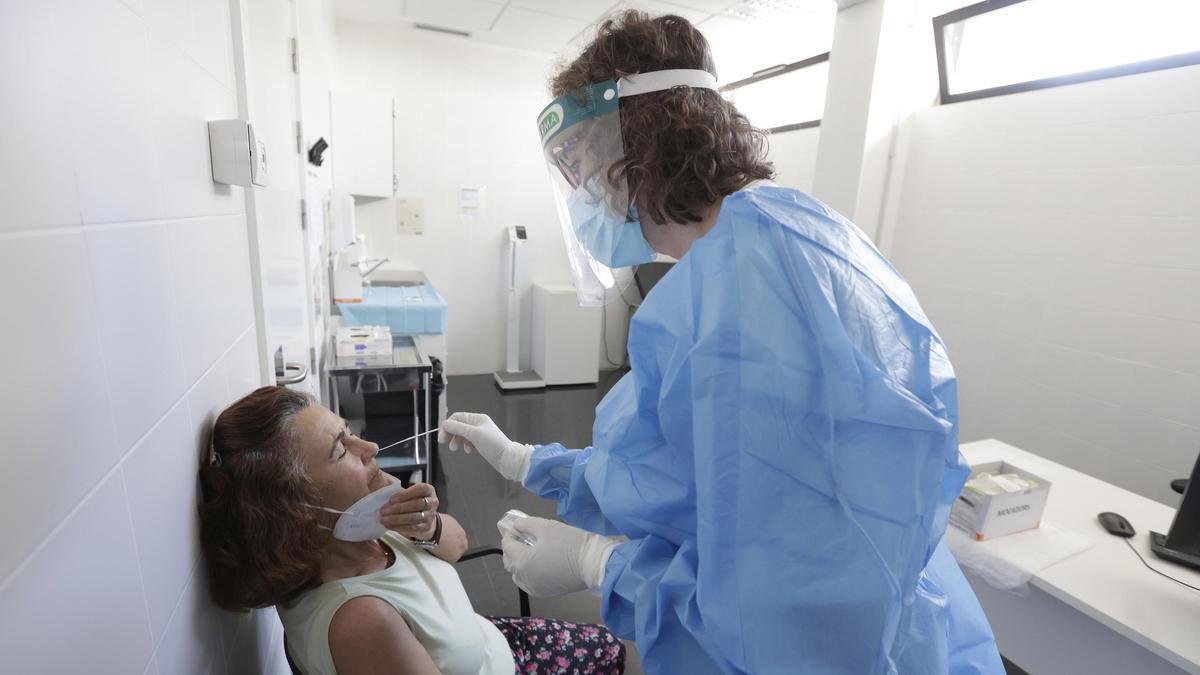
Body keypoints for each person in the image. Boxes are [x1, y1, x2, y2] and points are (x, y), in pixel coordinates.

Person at [439, 10, 1005, 675]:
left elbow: (773, 606)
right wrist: (526, 461)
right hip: (912, 629)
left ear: (632, 150)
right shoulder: (799, 232)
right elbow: (684, 475)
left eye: (582, 160)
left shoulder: (728, 296)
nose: (582, 187)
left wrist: (602, 562)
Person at [198, 386, 625, 675]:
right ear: (297, 508)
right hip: (493, 658)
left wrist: (431, 527)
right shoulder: (361, 621)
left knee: (612, 646)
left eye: (349, 432)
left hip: (489, 641)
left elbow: (456, 545)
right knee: (612, 651)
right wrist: (591, 560)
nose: (369, 448)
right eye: (339, 449)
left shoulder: (362, 525)